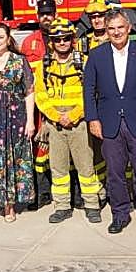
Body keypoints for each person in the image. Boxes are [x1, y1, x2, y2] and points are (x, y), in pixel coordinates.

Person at [84, 9, 136, 234]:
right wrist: (93, 119)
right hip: (109, 122)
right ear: (106, 31)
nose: (117, 32)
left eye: (120, 27)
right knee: (115, 173)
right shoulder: (96, 55)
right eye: (111, 29)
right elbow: (88, 89)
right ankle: (119, 214)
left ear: (129, 28)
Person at [34, 17, 102, 224]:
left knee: (86, 166)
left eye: (65, 38)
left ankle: (92, 205)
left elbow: (91, 93)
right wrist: (56, 117)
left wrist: (73, 116)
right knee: (58, 168)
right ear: (51, 42)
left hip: (79, 123)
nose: (62, 42)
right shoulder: (44, 65)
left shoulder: (85, 62)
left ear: (72, 39)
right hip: (55, 124)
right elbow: (40, 95)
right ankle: (62, 206)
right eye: (57, 39)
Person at [0, 22, 37, 221]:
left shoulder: (19, 61)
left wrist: (30, 121)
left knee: (12, 159)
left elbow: (29, 91)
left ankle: (9, 206)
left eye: (0, 37)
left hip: (15, 117)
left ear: (8, 38)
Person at [22, 0, 57, 209]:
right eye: (43, 14)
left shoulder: (64, 36)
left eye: (49, 13)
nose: (46, 17)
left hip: (59, 100)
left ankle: (68, 193)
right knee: (37, 148)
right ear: (37, 16)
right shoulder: (29, 42)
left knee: (61, 148)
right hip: (36, 103)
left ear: (55, 14)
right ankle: (40, 193)